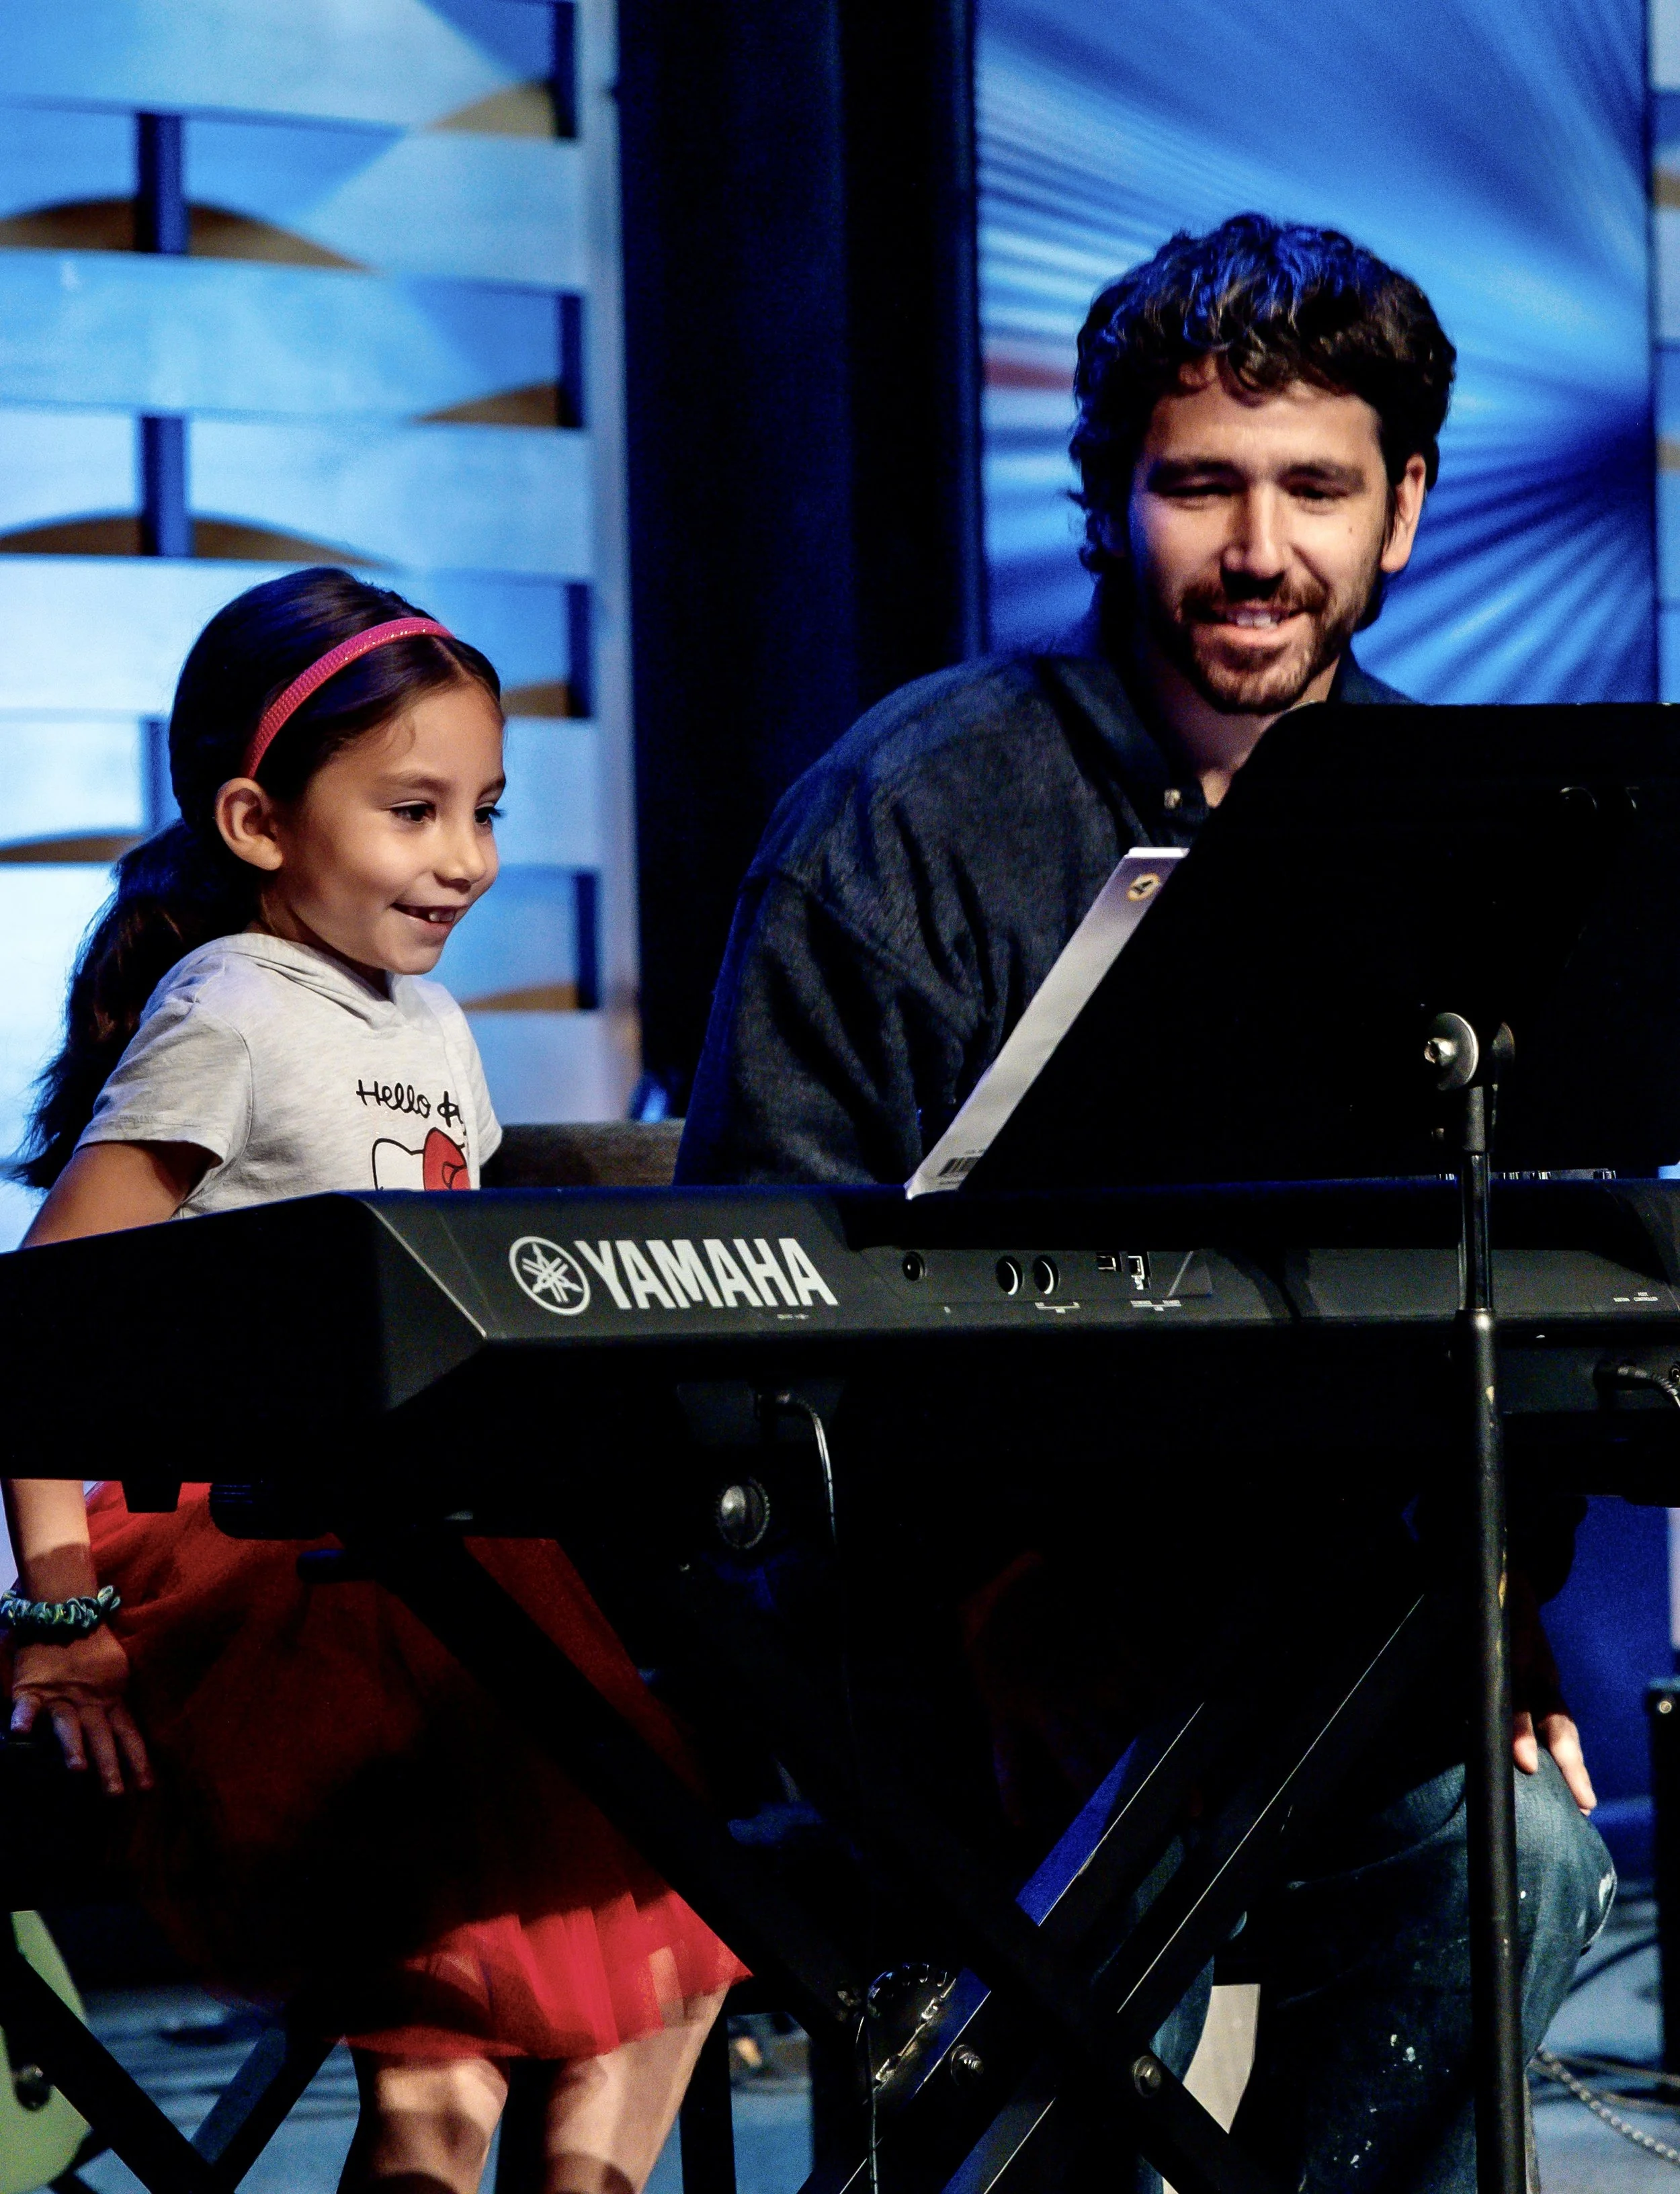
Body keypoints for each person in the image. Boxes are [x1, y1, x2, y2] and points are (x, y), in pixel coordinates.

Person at [677, 214, 1613, 2191]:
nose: (1258, 548)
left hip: (1311, 1647)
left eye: (1315, 489)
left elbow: (1516, 1274)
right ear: (1108, 498)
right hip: (957, 1662)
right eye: (1200, 485)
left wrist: (1491, 1619)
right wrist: (973, 1609)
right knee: (1081, 1951)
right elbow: (743, 1314)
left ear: (1404, 508)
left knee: (1520, 1860)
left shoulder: (1466, 828)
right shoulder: (905, 816)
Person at [3, 568, 743, 2194]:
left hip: (425, 1538)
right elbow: (43, 1323)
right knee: (475, 1968)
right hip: (266, 1554)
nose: (464, 858)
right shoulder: (230, 1007)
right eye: (413, 811)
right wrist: (58, 1608)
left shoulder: (429, 1022)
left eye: (484, 810)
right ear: (259, 822)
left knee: (637, 1920)